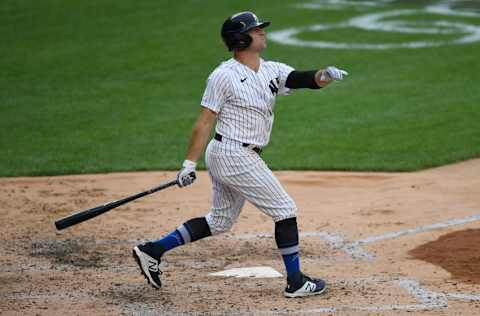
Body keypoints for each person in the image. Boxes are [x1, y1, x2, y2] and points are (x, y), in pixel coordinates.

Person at [133, 11, 348, 298]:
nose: (262, 33)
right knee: (285, 210)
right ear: (241, 38)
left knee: (219, 222)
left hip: (233, 154)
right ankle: (296, 282)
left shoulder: (270, 69)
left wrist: (325, 75)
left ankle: (152, 250)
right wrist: (188, 164)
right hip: (234, 154)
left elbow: (304, 79)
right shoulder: (223, 76)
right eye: (256, 30)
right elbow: (204, 121)